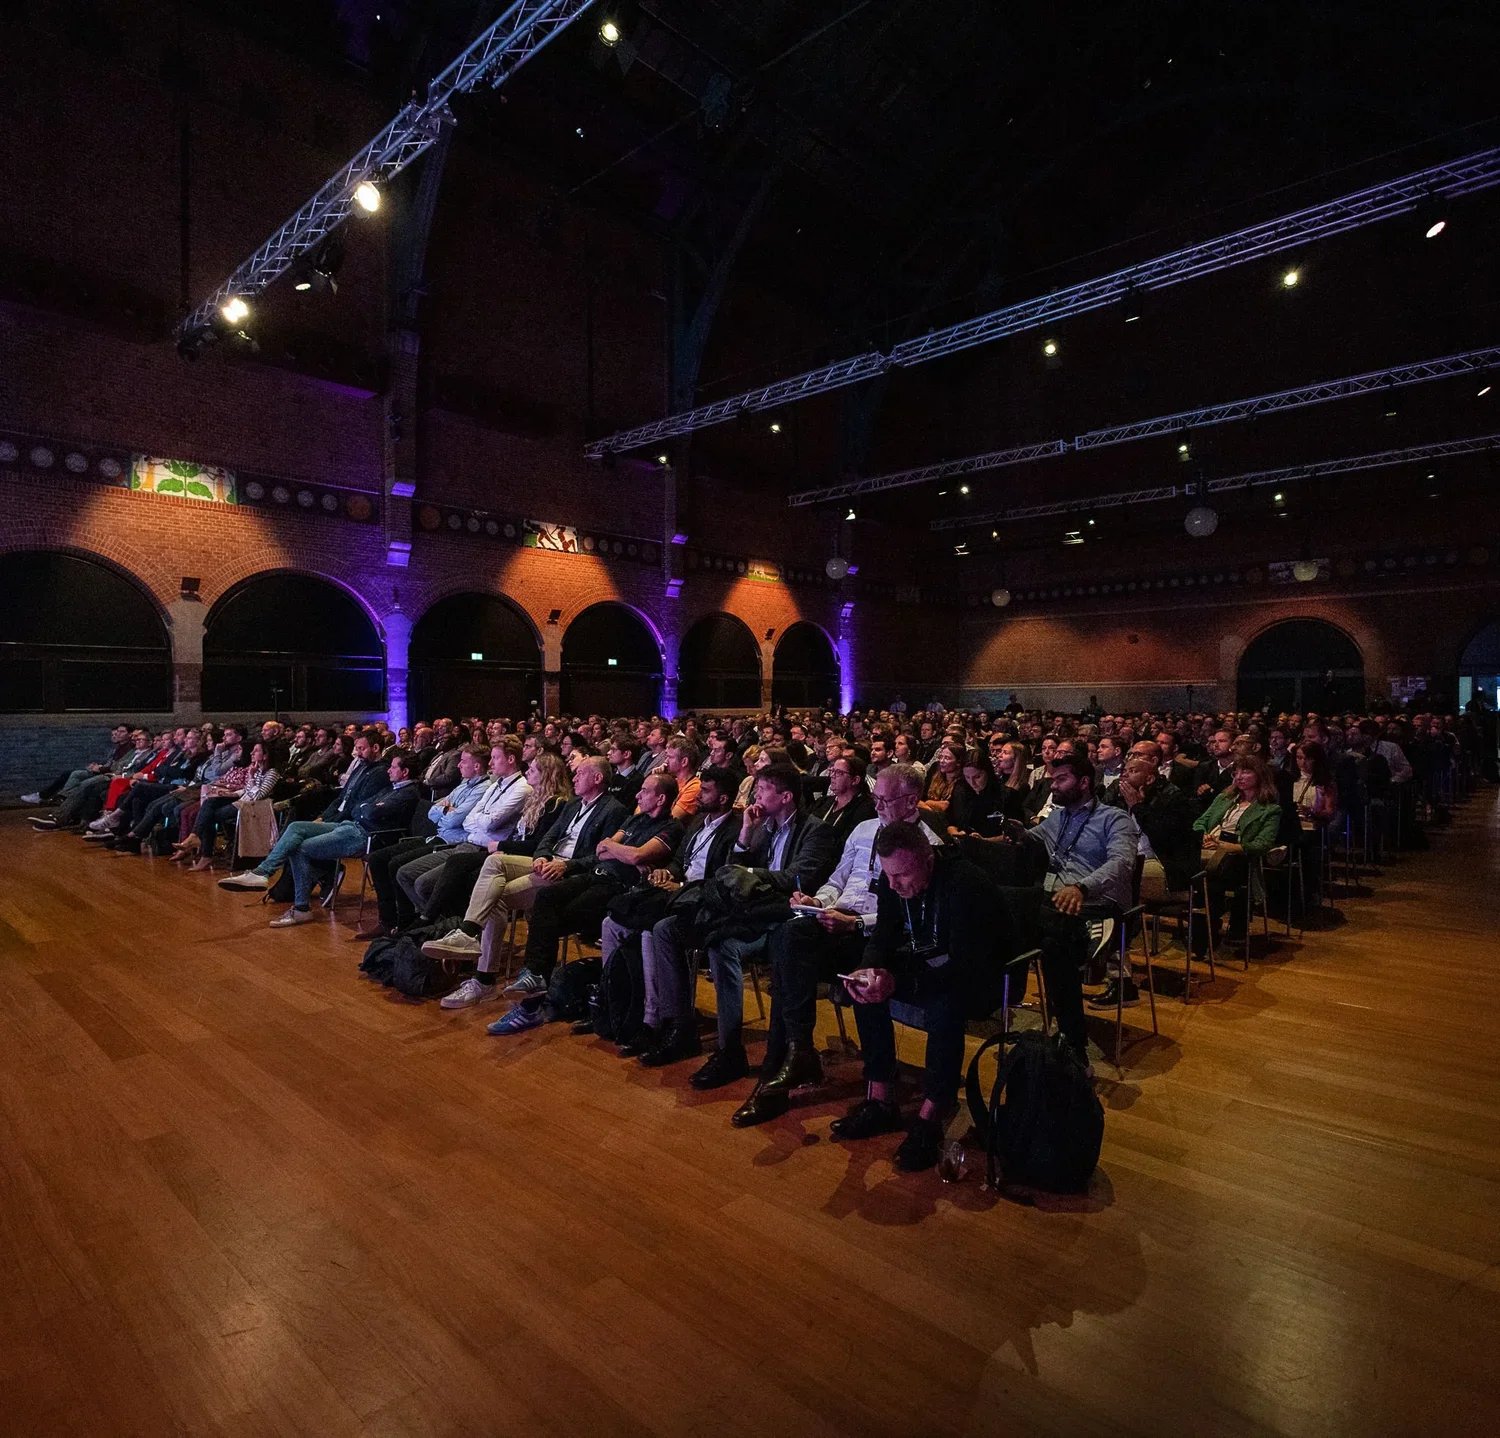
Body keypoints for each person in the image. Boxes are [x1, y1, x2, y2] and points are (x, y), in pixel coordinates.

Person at [831, 823, 1004, 1171]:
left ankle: (931, 1116)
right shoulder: (894, 880)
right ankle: (880, 1100)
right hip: (928, 964)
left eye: (902, 875)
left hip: (979, 975)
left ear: (928, 860)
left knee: (945, 1006)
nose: (894, 885)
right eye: (888, 875)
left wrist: (897, 981)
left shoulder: (965, 884)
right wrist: (869, 969)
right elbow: (883, 934)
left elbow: (965, 965)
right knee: (869, 989)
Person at [484, 772, 684, 1036]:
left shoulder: (671, 828)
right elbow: (601, 849)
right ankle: (535, 979)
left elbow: (637, 855)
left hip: (617, 888)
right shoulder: (635, 819)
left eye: (645, 791)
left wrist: (620, 851)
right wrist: (620, 852)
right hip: (594, 874)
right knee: (546, 898)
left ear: (660, 799)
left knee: (550, 921)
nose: (637, 794)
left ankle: (532, 1003)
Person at [602, 766, 742, 1064]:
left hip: (702, 900)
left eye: (706, 791)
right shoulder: (698, 823)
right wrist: (666, 872)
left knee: (653, 929)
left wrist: (679, 885)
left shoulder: (735, 830)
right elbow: (680, 861)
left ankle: (656, 1020)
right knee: (611, 923)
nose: (698, 795)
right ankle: (614, 1006)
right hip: (677, 892)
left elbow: (725, 878)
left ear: (723, 798)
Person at [1007, 752, 1139, 1064]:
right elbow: (1032, 838)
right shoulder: (1058, 818)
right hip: (1054, 904)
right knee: (1004, 912)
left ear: (1084, 782)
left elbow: (1122, 863)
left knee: (1054, 945)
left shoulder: (1114, 819)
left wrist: (1082, 887)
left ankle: (1072, 1044)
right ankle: (1007, 1006)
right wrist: (1017, 833)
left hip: (1096, 905)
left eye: (1061, 779)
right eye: (1053, 779)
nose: (1053, 785)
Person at [356, 744, 490, 939]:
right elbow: (432, 812)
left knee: (397, 866)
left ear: (476, 766)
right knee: (378, 859)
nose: (458, 765)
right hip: (437, 836)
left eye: (463, 761)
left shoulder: (482, 789)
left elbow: (454, 820)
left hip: (450, 841)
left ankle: (414, 923)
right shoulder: (463, 785)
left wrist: (446, 810)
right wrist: (446, 809)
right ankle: (390, 921)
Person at [1193, 755, 1283, 937]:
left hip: (1240, 858)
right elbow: (1199, 823)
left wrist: (1224, 846)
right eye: (1236, 772)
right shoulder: (1224, 798)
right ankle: (1204, 924)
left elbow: (1262, 845)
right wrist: (1204, 835)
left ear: (1260, 775)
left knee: (1211, 881)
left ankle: (1207, 927)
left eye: (1246, 772)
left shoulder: (1270, 809)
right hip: (1208, 849)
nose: (1239, 776)